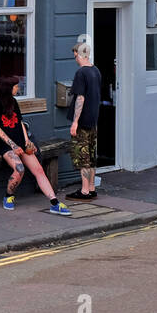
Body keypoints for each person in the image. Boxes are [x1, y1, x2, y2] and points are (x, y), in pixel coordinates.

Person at [0, 76, 70, 215]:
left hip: (20, 141)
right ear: (8, 88)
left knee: (38, 169)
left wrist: (27, 141)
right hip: (6, 145)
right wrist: (13, 146)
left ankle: (54, 202)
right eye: (16, 86)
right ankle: (8, 196)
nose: (18, 88)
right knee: (19, 169)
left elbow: (20, 123)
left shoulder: (13, 101)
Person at [68, 39, 104, 200]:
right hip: (93, 119)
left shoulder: (81, 73)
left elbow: (80, 98)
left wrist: (75, 122)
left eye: (75, 55)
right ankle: (91, 188)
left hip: (83, 121)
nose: (75, 59)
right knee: (91, 153)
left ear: (80, 55)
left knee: (83, 156)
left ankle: (84, 191)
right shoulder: (96, 71)